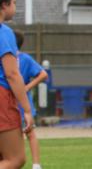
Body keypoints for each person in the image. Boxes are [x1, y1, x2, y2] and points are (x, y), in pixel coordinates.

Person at [0, 0, 34, 169]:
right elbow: (12, 73)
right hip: (2, 98)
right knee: (15, 159)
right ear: (4, 5)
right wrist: (27, 109)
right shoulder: (4, 33)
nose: (15, 6)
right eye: (13, 2)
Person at [13, 29, 48, 169]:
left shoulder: (24, 59)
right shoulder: (4, 58)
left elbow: (43, 74)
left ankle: (36, 165)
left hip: (22, 103)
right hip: (6, 102)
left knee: (30, 132)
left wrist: (27, 87)